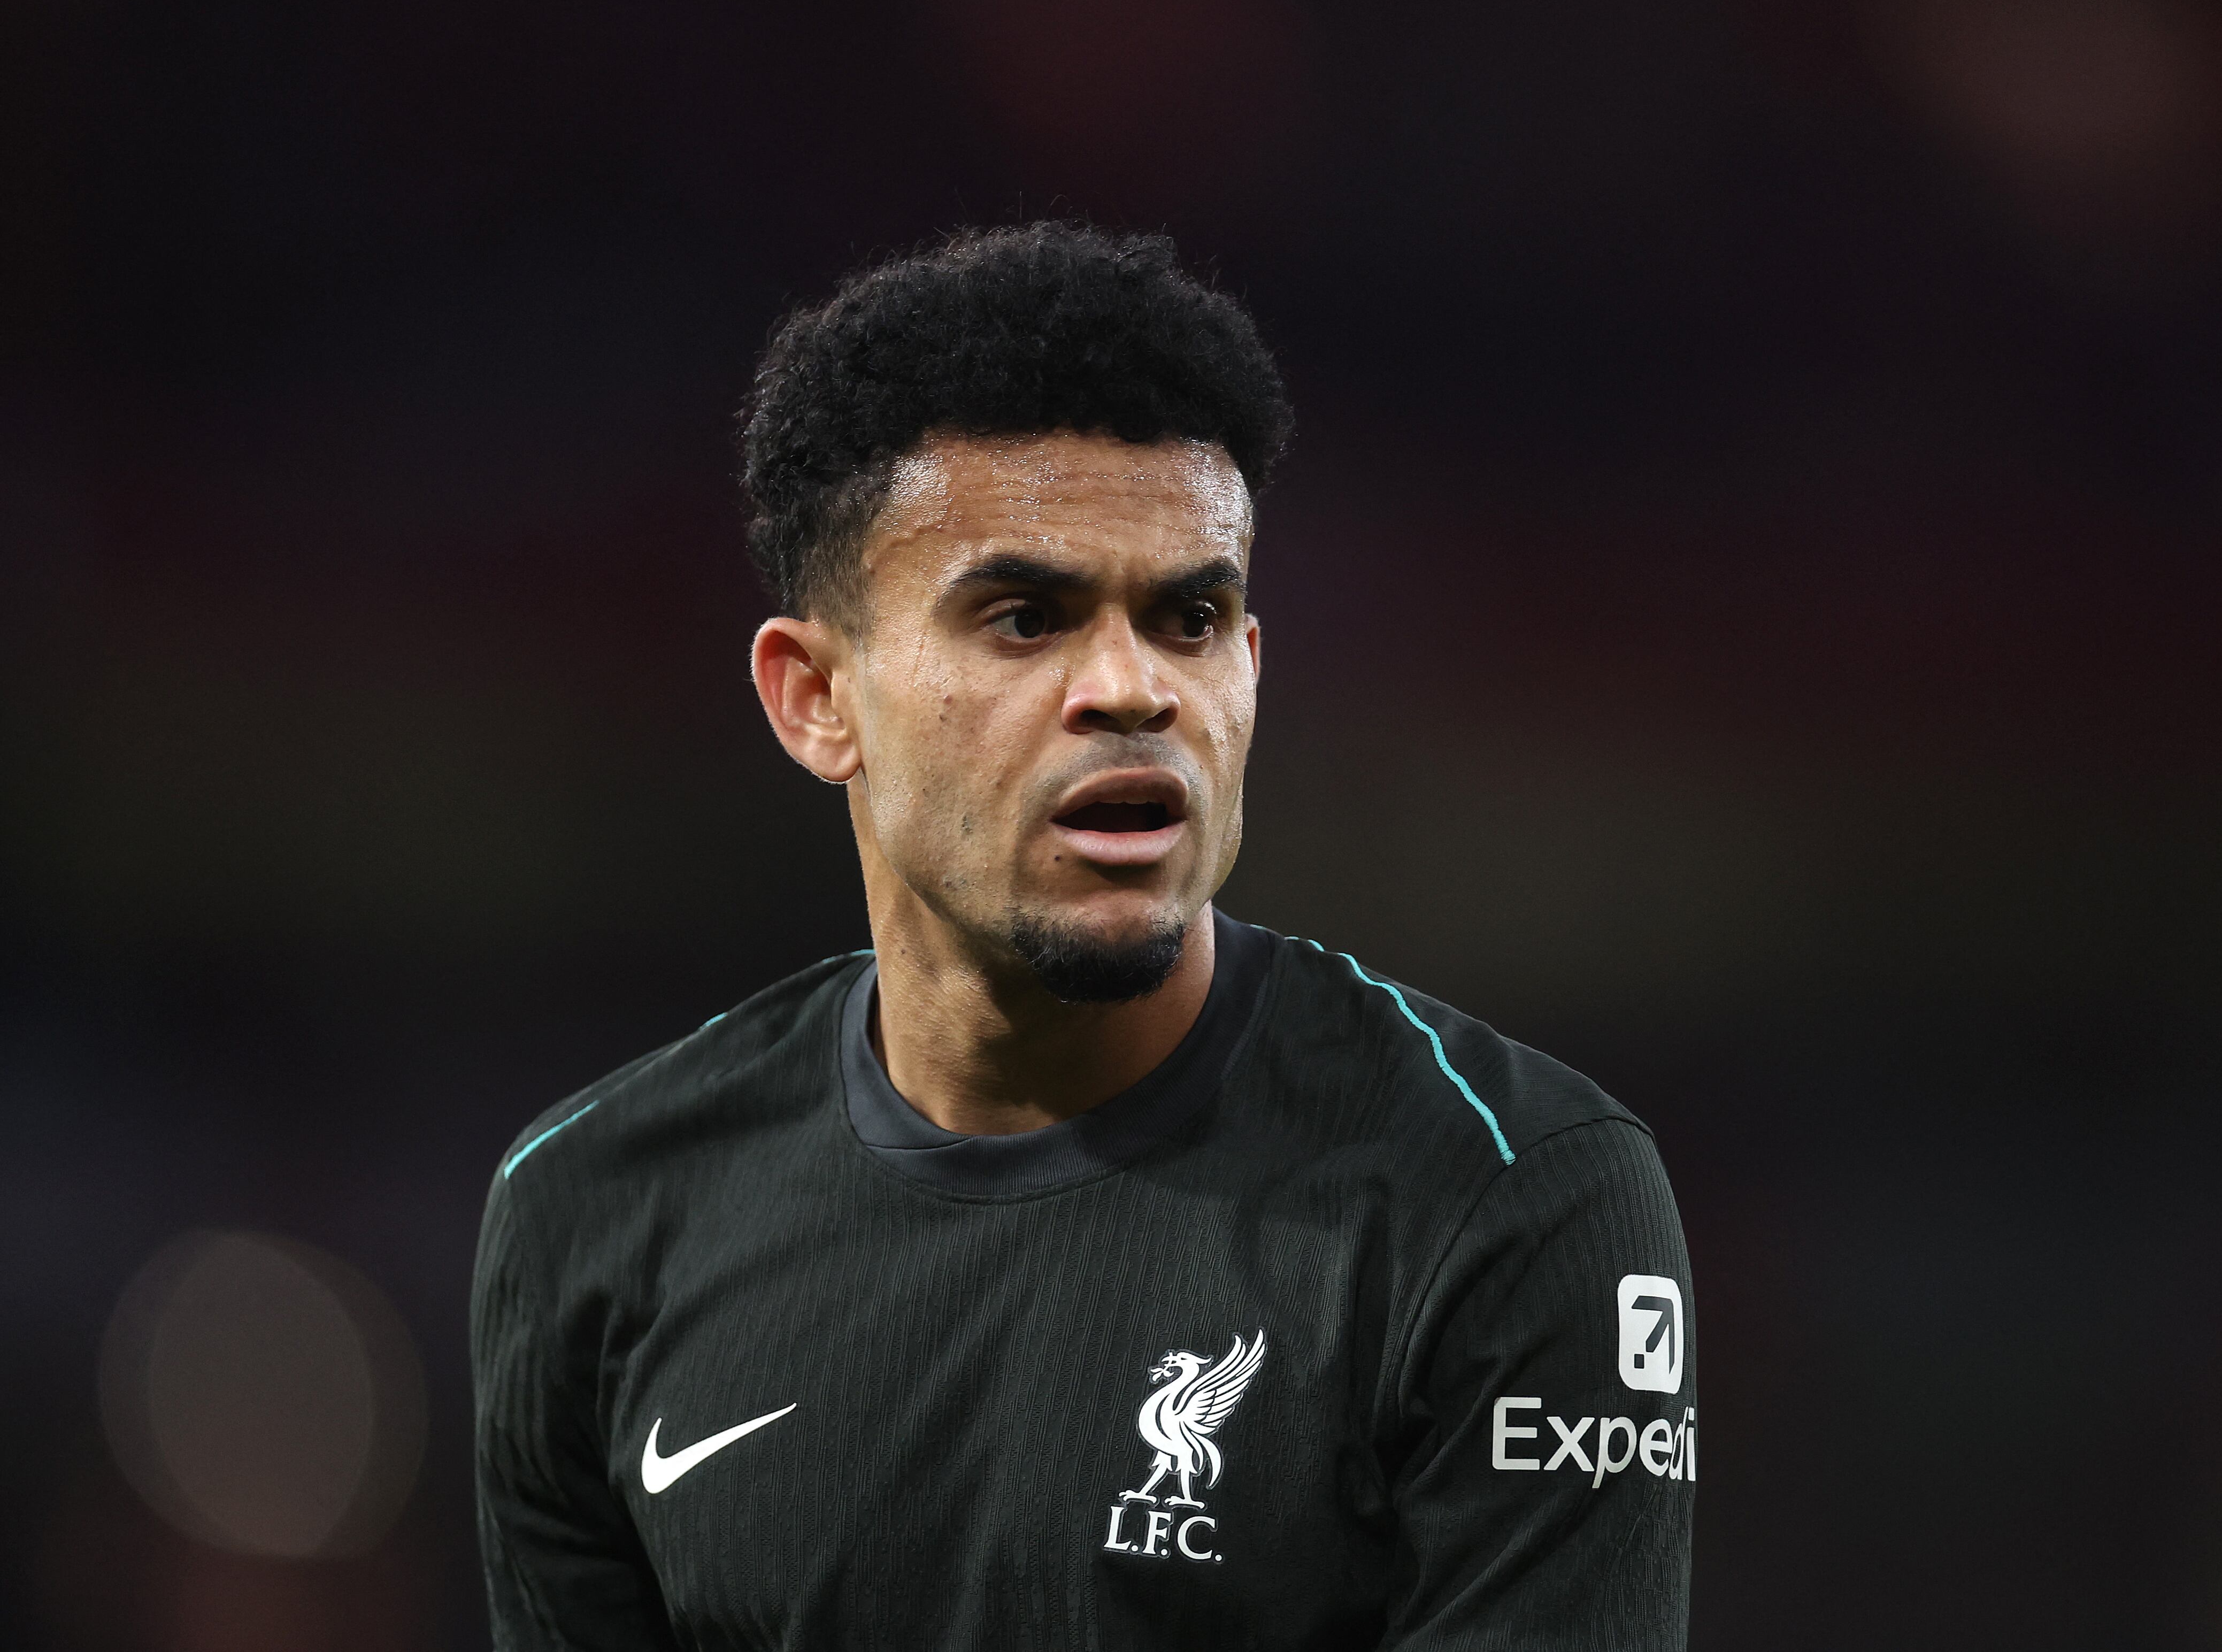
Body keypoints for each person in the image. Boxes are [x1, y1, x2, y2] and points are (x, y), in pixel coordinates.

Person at [472, 222, 1697, 1649]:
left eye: (1188, 616)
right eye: (1024, 617)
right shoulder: (595, 1216)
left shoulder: (1508, 1199)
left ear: (1248, 665)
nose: (1130, 689)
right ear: (816, 698)